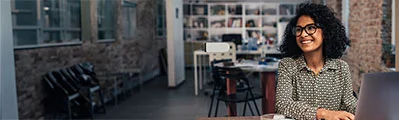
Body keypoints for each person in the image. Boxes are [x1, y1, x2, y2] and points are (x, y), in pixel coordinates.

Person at [276, 3, 357, 120]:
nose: (303, 34)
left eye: (310, 28)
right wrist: (323, 114)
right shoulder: (288, 65)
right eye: (299, 30)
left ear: (325, 32)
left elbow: (349, 103)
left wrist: (368, 110)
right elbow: (282, 105)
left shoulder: (341, 67)